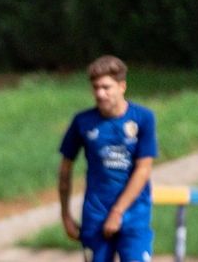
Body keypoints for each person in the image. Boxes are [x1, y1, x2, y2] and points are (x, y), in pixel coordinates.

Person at [58, 55, 158, 262]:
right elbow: (65, 168)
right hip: (95, 216)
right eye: (95, 88)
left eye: (106, 87)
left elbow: (144, 169)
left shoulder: (143, 118)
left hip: (134, 215)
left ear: (122, 86)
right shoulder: (83, 122)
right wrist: (66, 215)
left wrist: (118, 212)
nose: (100, 94)